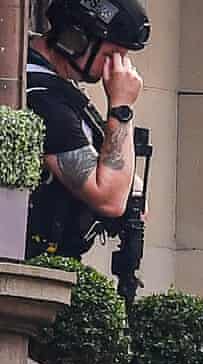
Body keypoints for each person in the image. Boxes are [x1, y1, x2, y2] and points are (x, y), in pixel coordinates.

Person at [26, 0, 150, 260]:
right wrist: (121, 107)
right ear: (75, 39)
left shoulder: (60, 89)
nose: (118, 68)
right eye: (111, 55)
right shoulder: (41, 97)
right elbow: (109, 198)